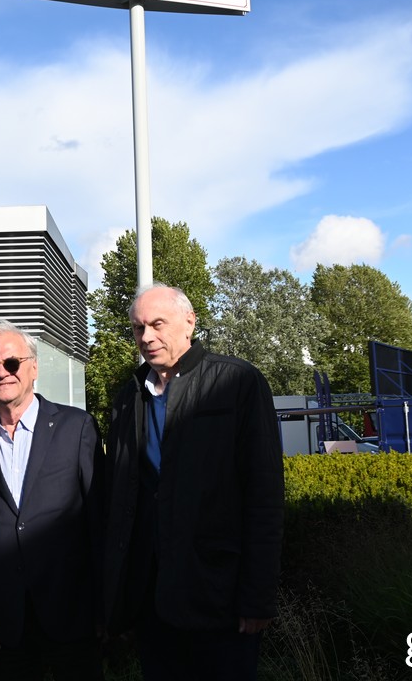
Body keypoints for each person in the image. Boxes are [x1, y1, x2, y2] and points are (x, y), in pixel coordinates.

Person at [102, 284, 284, 681]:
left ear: (189, 322)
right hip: (151, 600)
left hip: (218, 595)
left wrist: (257, 597)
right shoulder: (128, 398)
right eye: (138, 328)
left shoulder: (237, 382)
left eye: (157, 324)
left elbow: (264, 494)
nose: (146, 337)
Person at [0, 320, 102, 681]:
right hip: (6, 625)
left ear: (33, 367)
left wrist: (106, 607)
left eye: (11, 363)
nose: (1, 373)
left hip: (74, 616)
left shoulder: (77, 427)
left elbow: (101, 521)